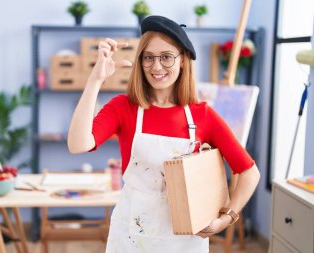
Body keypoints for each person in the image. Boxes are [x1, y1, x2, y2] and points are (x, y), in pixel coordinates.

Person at [68, 15, 260, 253]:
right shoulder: (123, 108)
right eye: (148, 57)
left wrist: (226, 218)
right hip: (131, 237)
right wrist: (96, 79)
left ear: (183, 61)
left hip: (185, 240)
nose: (156, 67)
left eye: (167, 57)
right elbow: (78, 144)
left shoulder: (203, 116)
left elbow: (249, 172)